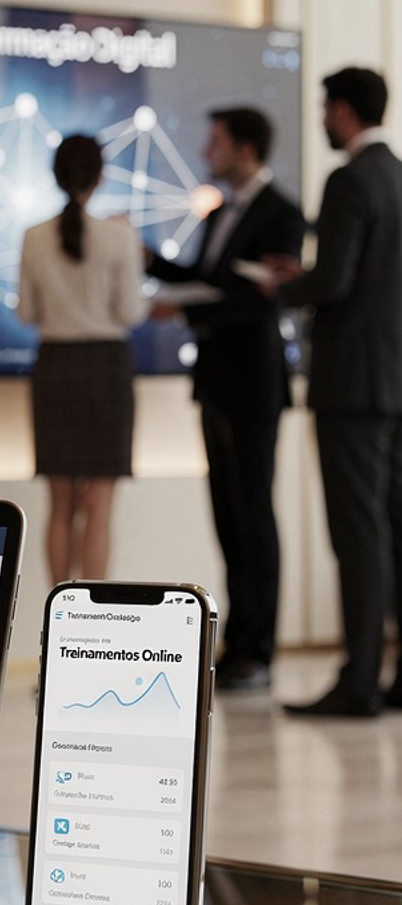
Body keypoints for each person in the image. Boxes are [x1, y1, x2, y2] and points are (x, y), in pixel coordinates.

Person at [257, 66, 402, 718]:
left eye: (323, 108)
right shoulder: (398, 175)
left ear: (342, 111)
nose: (320, 119)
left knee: (358, 533)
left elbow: (337, 281)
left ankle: (360, 679)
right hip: (396, 380)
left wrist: (283, 285)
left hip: (351, 384)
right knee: (392, 529)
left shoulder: (349, 179)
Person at [147, 108, 305, 690]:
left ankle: (258, 649)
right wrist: (151, 264)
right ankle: (238, 642)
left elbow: (263, 300)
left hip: (253, 383)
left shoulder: (282, 213)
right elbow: (210, 277)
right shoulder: (222, 209)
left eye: (215, 142)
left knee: (253, 514)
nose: (206, 151)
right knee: (228, 515)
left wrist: (184, 308)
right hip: (216, 381)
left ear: (244, 148)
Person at [15, 134, 148, 585]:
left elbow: (27, 314)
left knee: (59, 507)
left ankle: (58, 619)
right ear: (100, 176)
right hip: (106, 367)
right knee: (99, 507)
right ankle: (94, 626)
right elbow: (132, 312)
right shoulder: (118, 235)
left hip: (54, 367)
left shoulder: (33, 237)